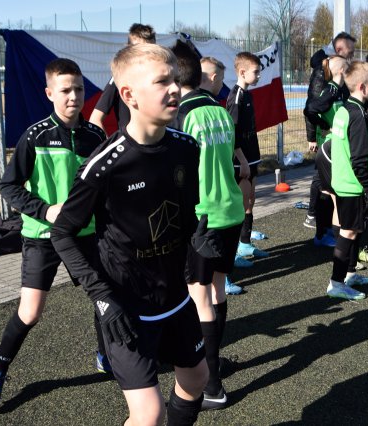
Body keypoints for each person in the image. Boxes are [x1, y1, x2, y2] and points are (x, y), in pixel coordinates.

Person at [51, 43, 208, 425]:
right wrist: (102, 296)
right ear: (129, 96)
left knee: (196, 379)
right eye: (161, 82)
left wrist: (200, 240)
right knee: (148, 413)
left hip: (174, 297)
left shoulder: (187, 148)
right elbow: (63, 232)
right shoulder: (105, 165)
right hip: (125, 305)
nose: (173, 88)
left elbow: (187, 215)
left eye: (174, 79)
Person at [0, 58, 108, 412]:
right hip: (42, 236)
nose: (73, 97)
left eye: (79, 89)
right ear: (50, 93)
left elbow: (104, 186)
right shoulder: (35, 136)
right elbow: (8, 186)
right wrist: (45, 210)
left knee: (103, 294)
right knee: (31, 312)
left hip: (86, 234)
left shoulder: (95, 136)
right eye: (65, 90)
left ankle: (105, 354)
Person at [172, 42, 245, 410]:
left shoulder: (183, 113)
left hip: (203, 217)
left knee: (199, 297)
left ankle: (212, 383)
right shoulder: (219, 109)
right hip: (230, 211)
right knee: (217, 291)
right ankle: (215, 365)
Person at [328, 61, 368, 300]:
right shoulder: (357, 115)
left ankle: (349, 273)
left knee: (354, 231)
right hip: (352, 184)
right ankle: (336, 284)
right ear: (362, 86)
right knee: (348, 232)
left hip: (343, 181)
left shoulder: (344, 108)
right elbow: (359, 160)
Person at [304, 32, 356, 229]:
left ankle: (329, 224)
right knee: (323, 178)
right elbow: (311, 108)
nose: (352, 56)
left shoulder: (342, 73)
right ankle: (314, 215)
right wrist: (314, 136)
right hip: (326, 136)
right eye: (350, 52)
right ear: (340, 51)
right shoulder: (322, 73)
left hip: (340, 135)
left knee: (331, 180)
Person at [226, 51, 269, 265]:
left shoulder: (249, 94)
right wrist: (241, 159)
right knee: (240, 205)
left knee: (250, 201)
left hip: (252, 157)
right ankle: (232, 252)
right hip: (241, 160)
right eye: (256, 72)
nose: (259, 75)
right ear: (242, 72)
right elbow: (231, 133)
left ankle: (245, 244)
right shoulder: (235, 97)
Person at [303, 55, 348, 248]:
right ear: (340, 71)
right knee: (325, 188)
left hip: (338, 145)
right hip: (328, 146)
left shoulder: (340, 89)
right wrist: (324, 124)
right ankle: (320, 235)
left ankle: (327, 229)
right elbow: (310, 109)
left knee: (331, 188)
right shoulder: (330, 89)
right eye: (347, 67)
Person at [89, 23, 156, 134]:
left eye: (150, 50)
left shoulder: (162, 79)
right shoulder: (119, 79)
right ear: (128, 49)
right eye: (138, 49)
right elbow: (95, 119)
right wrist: (110, 145)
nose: (145, 54)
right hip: (131, 147)